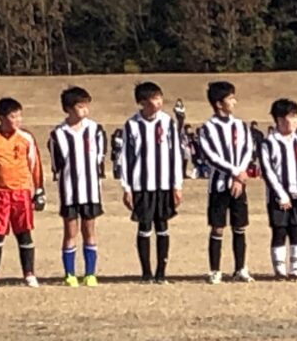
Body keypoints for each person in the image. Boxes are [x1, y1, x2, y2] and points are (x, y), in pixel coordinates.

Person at [0, 98, 46, 288]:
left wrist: (39, 190)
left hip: (21, 192)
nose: (18, 120)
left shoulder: (26, 138)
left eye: (19, 116)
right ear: (2, 117)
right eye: (13, 116)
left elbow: (35, 164)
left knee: (24, 233)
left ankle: (29, 274)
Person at [119, 82, 184, 284]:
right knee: (144, 226)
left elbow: (176, 155)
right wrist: (126, 187)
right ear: (142, 102)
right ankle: (146, 273)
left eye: (159, 97)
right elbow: (125, 158)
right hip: (142, 185)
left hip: (164, 185)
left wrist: (177, 185)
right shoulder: (132, 125)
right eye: (154, 99)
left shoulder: (168, 122)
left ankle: (161, 273)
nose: (158, 102)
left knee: (162, 226)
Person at [49, 87, 106, 287]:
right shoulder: (58, 134)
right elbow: (56, 165)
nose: (85, 110)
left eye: (86, 106)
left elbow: (99, 158)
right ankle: (70, 274)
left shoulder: (95, 129)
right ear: (68, 109)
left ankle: (90, 274)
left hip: (90, 192)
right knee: (70, 232)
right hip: (70, 192)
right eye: (80, 106)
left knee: (89, 231)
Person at [198, 81, 254, 284]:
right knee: (218, 227)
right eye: (230, 98)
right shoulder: (207, 128)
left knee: (240, 226)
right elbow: (211, 156)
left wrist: (241, 174)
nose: (234, 102)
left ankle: (240, 268)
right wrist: (235, 172)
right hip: (219, 185)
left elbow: (248, 149)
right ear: (218, 103)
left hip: (239, 184)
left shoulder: (240, 125)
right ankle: (215, 270)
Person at [260, 99, 297, 280]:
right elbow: (267, 171)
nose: (292, 122)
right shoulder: (269, 143)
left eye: (295, 117)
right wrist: (281, 195)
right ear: (278, 120)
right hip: (277, 197)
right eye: (288, 118)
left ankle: (295, 270)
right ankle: (280, 271)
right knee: (279, 231)